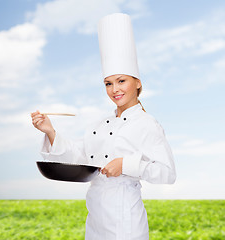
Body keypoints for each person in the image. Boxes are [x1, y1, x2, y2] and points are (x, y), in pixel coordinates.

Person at [31, 13, 176, 240]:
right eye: (108, 83)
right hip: (96, 218)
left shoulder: (148, 125)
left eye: (121, 81)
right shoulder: (99, 124)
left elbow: (167, 174)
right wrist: (50, 131)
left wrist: (126, 164)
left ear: (137, 83)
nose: (114, 89)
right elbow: (80, 154)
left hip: (125, 223)